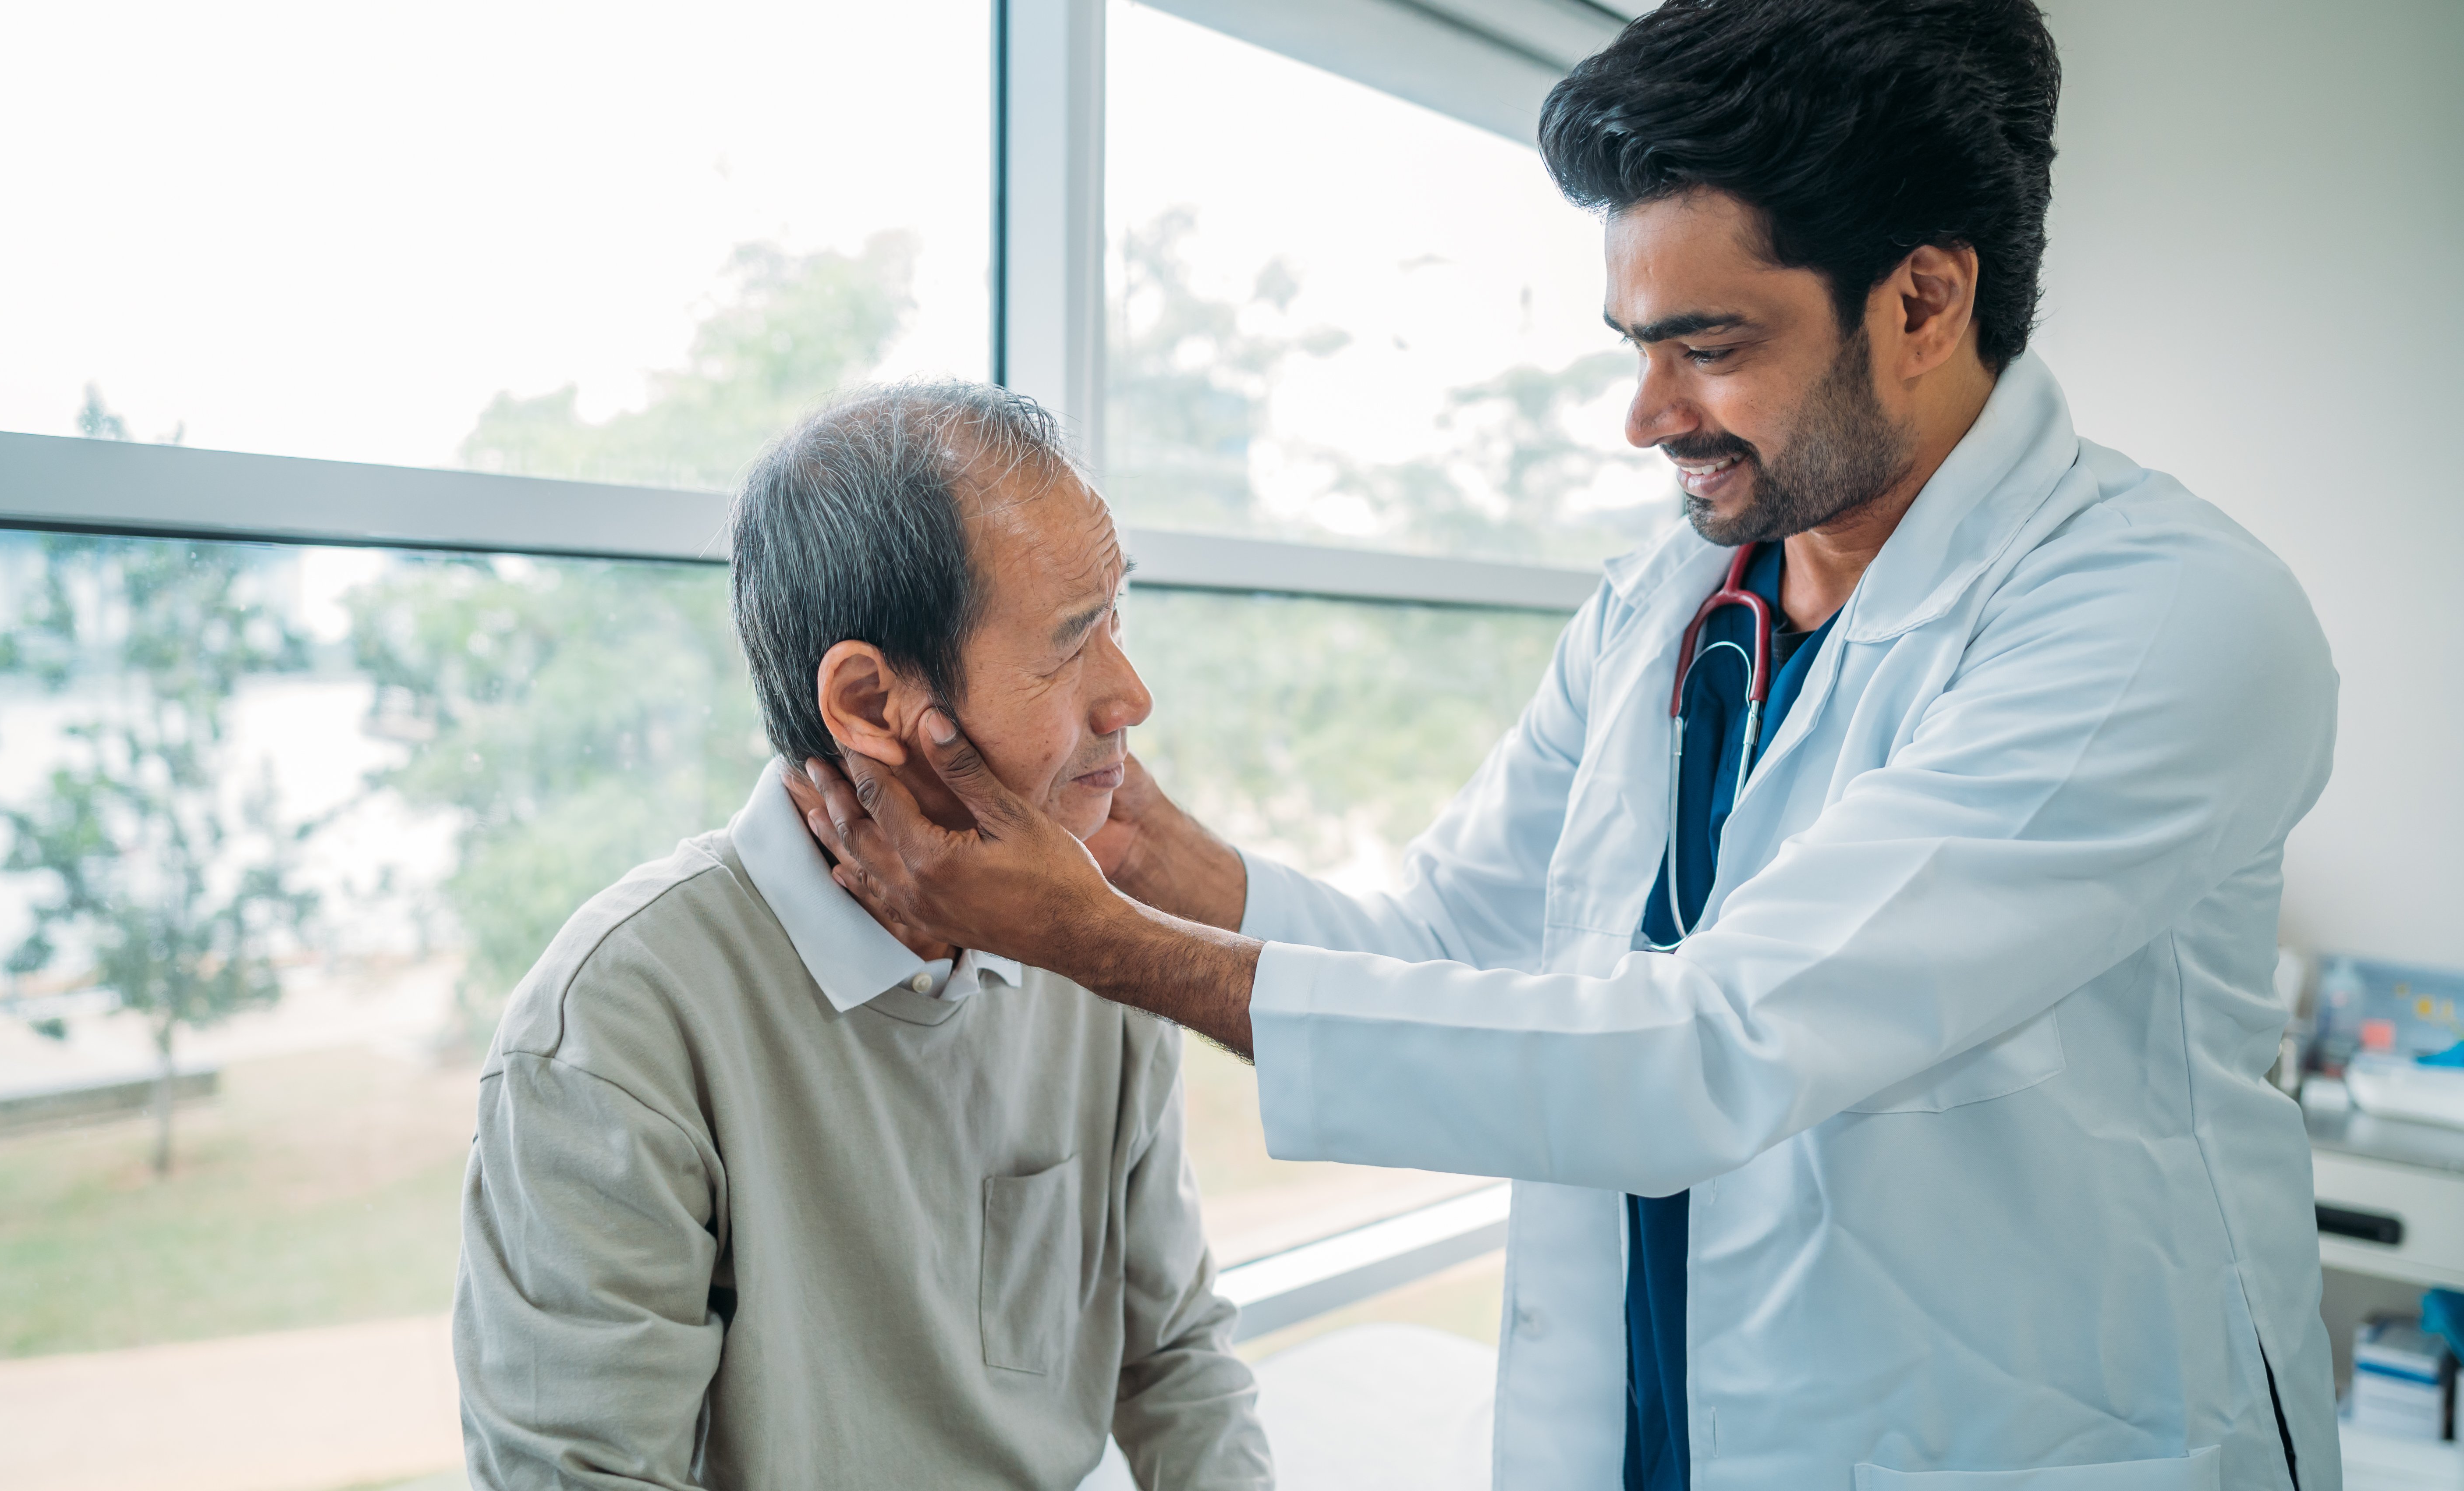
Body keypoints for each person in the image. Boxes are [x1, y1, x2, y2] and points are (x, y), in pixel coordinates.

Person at [787, 2, 2342, 1487]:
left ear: (1923, 301)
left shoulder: (2161, 625)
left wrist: (1106, 942)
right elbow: (1448, 949)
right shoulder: (1659, 610)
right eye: (1633, 345)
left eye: (1708, 345)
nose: (1644, 414)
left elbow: (1701, 1048)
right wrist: (1136, 850)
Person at [452, 382, 1273, 1491]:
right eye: (1071, 644)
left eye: (1116, 620)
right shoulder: (616, 1027)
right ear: (872, 702)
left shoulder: (1099, 947)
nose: (1130, 696)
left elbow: (1175, 1361)